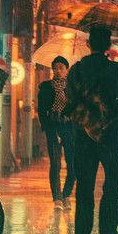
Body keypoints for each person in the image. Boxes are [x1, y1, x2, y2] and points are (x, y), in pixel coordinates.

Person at [64, 23, 118, 234]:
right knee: (112, 184)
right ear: (108, 45)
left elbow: (69, 102)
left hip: (82, 136)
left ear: (88, 43)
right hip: (110, 135)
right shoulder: (116, 71)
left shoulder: (76, 70)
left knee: (84, 186)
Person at [35, 56, 76, 204]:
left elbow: (77, 107)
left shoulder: (72, 87)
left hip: (69, 128)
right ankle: (57, 197)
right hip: (53, 127)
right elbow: (41, 109)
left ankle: (66, 194)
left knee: (72, 165)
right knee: (55, 164)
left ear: (67, 70)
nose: (58, 70)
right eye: (55, 67)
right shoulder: (45, 87)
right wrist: (46, 126)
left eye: (61, 68)